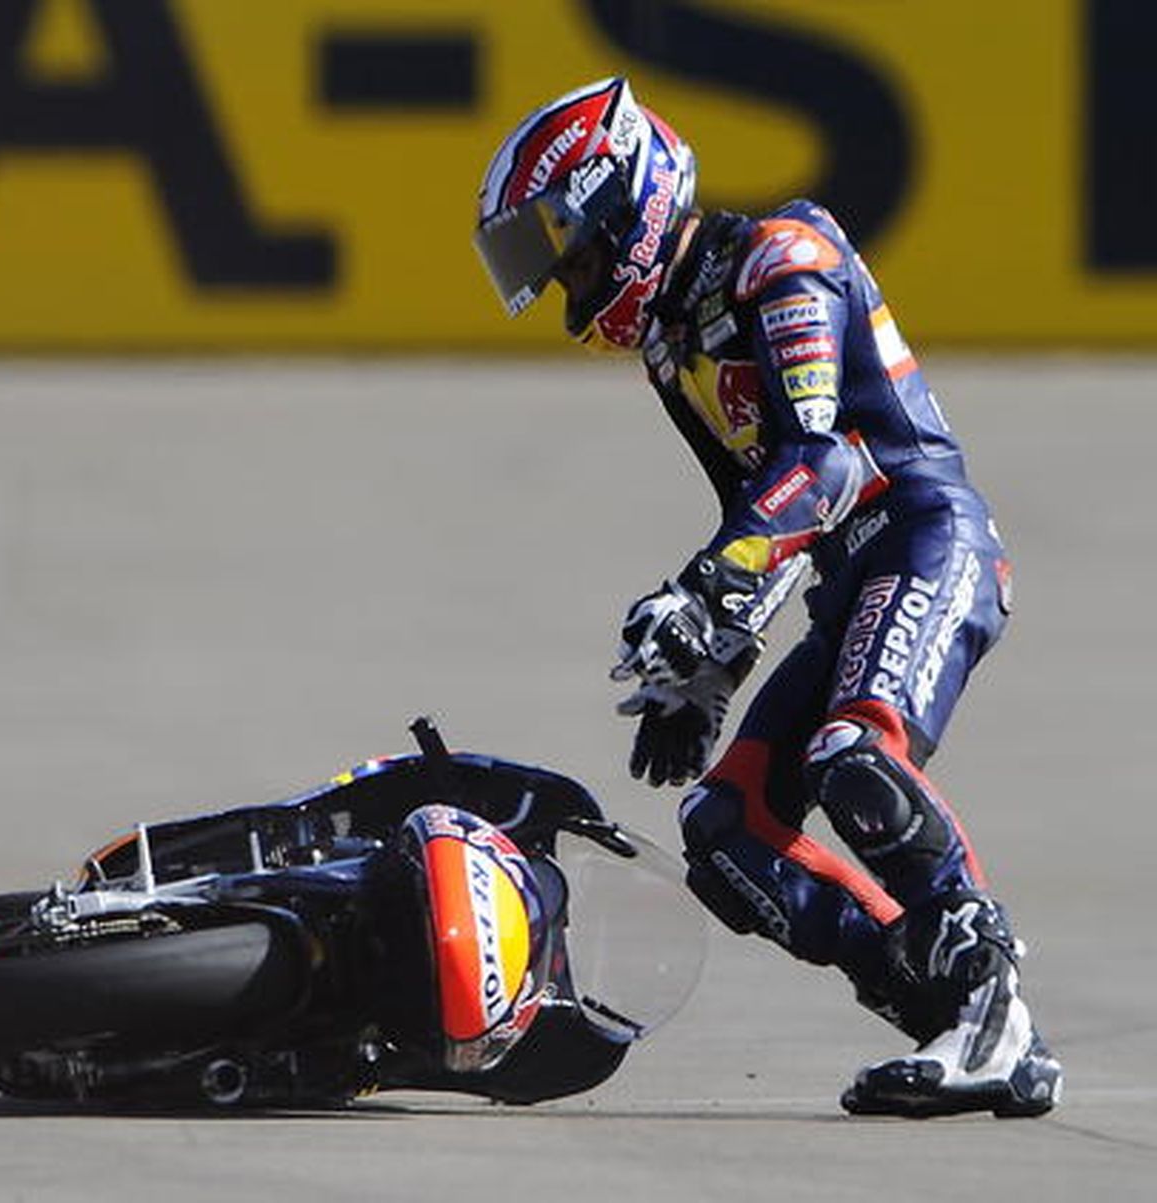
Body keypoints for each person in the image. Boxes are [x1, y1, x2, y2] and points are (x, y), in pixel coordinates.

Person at [472, 76, 1062, 1117]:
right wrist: (707, 669)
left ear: (626, 198)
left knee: (854, 757)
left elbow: (820, 467)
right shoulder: (670, 348)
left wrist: (704, 593)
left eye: (567, 246)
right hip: (847, 583)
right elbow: (758, 512)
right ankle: (931, 1000)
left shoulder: (781, 259)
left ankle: (994, 1012)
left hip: (926, 542)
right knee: (727, 826)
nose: (568, 278)